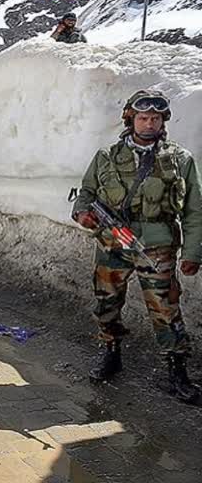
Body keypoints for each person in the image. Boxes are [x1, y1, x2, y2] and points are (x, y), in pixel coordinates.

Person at [71, 90, 202, 405]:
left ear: (163, 121)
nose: (149, 124)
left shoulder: (180, 159)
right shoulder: (106, 156)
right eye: (143, 118)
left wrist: (193, 253)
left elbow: (194, 210)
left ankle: (177, 370)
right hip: (112, 243)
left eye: (155, 118)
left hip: (157, 246)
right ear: (130, 119)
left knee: (166, 309)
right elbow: (86, 191)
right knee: (106, 303)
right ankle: (111, 353)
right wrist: (83, 213)